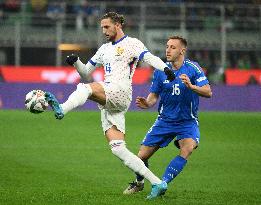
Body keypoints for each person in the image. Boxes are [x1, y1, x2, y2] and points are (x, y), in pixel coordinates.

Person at [44, 12, 175, 199]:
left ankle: (62, 109)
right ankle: (157, 183)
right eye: (102, 28)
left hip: (120, 91)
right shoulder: (104, 49)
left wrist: (165, 69)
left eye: (107, 27)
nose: (104, 31)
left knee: (85, 89)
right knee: (118, 148)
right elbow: (86, 72)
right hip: (110, 100)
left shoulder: (132, 43)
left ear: (118, 25)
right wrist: (76, 62)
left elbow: (149, 58)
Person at [123, 36, 212, 199]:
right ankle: (139, 182)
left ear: (182, 50)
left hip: (187, 122)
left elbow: (208, 91)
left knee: (187, 148)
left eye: (172, 47)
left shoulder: (193, 68)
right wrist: (147, 103)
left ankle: (161, 183)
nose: (168, 50)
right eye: (167, 46)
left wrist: (192, 87)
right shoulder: (160, 70)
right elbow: (153, 96)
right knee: (140, 157)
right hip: (164, 121)